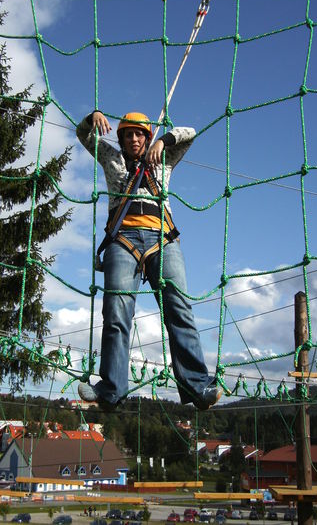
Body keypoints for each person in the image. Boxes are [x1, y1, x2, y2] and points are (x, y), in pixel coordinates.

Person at [76, 110, 221, 411]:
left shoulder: (163, 160)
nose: (133, 139)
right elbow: (83, 135)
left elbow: (190, 132)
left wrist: (163, 141)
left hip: (161, 238)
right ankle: (111, 388)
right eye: (128, 134)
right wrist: (93, 118)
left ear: (147, 137)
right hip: (123, 239)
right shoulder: (112, 159)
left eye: (139, 134)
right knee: (116, 311)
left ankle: (196, 385)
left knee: (178, 307)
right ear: (121, 139)